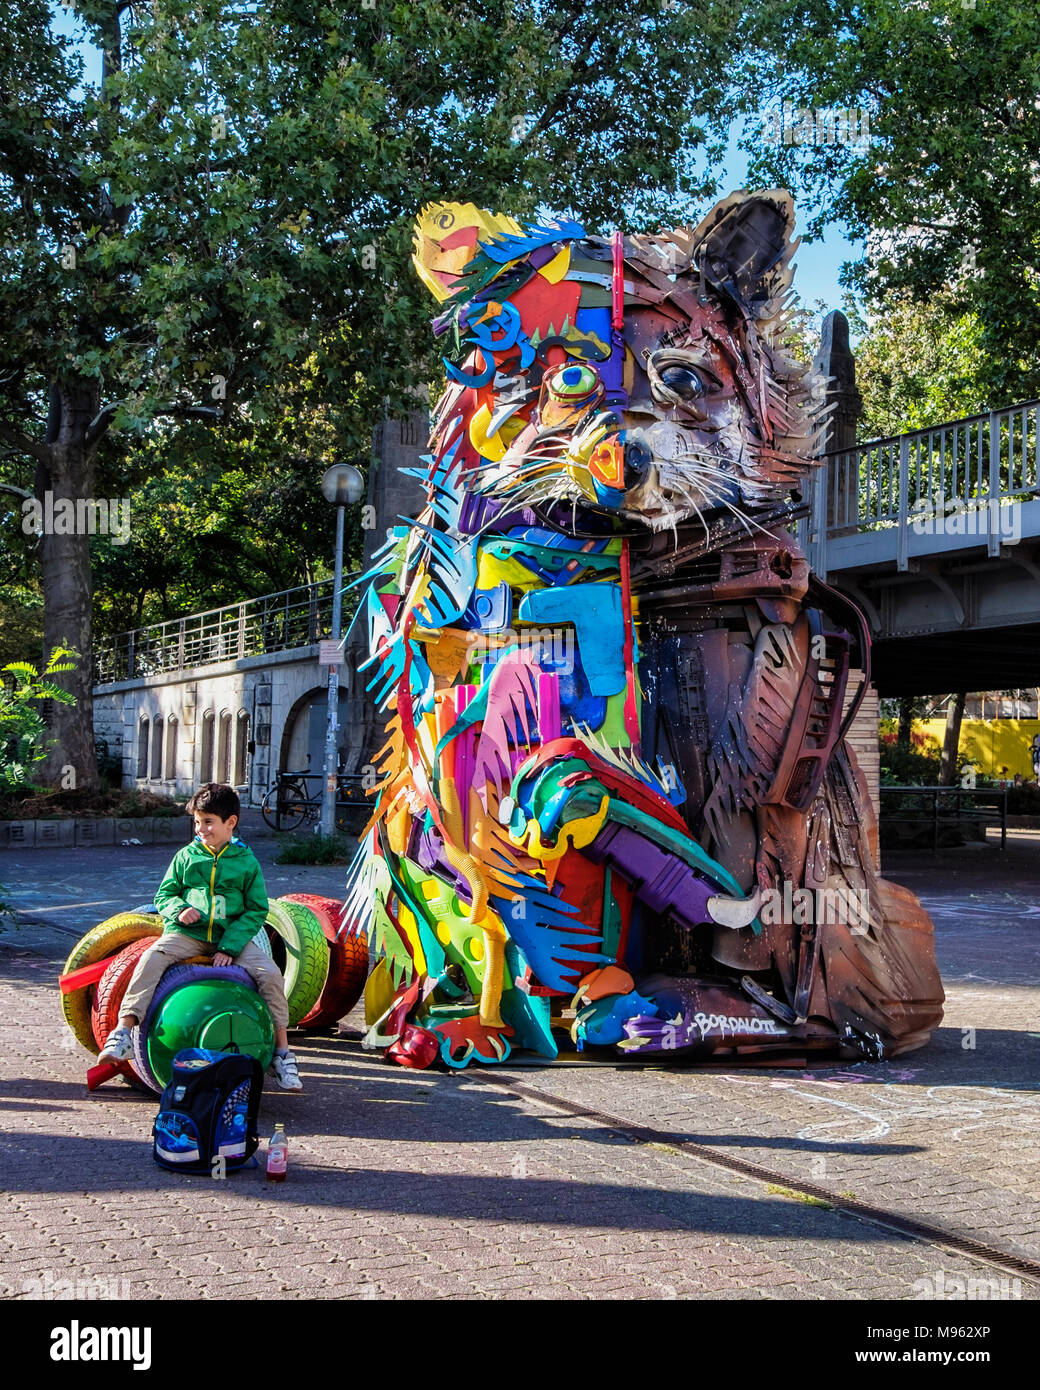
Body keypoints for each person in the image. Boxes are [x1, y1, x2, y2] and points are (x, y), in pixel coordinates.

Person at [98, 782, 302, 1090]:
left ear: (230, 823)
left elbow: (256, 910)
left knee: (270, 974)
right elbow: (164, 894)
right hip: (187, 935)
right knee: (152, 957)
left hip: (230, 938)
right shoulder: (186, 857)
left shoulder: (246, 862)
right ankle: (124, 1032)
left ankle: (282, 1053)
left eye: (208, 822)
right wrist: (179, 909)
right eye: (197, 821)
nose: (200, 828)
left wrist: (231, 947)